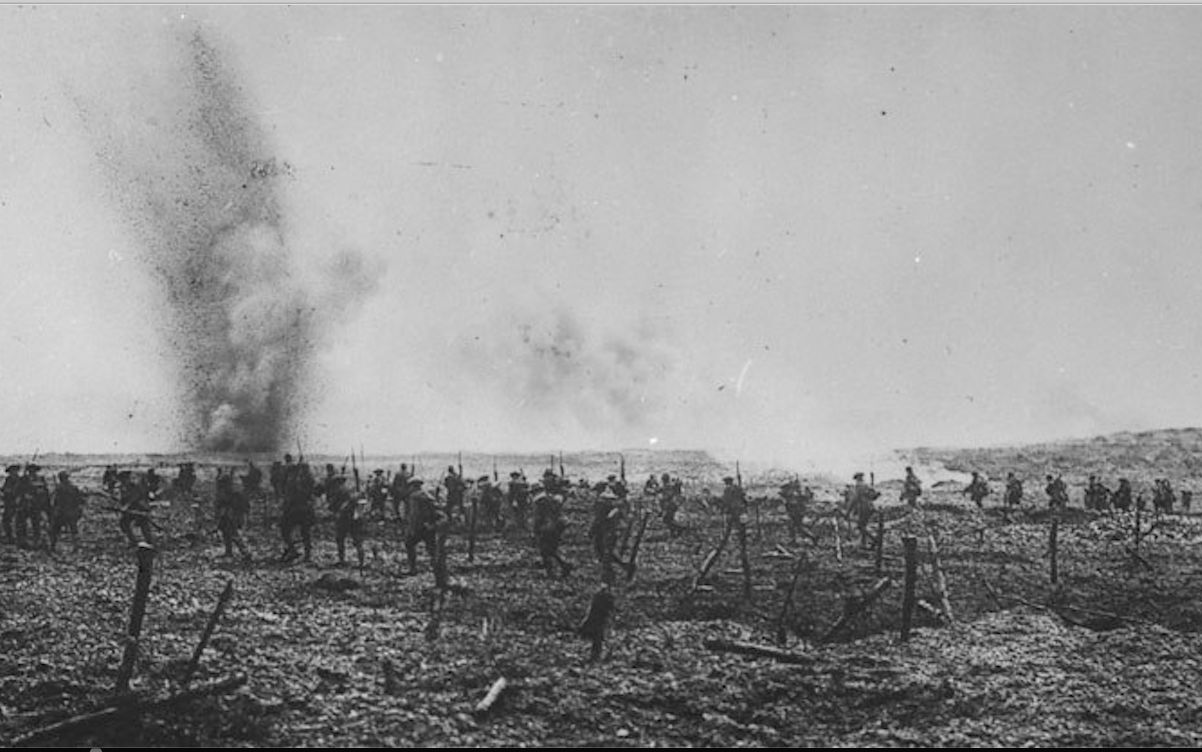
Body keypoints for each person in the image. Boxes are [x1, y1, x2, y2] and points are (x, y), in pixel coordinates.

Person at [280, 461, 315, 563]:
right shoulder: (298, 480)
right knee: (302, 533)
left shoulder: (302, 480)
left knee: (291, 530)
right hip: (299, 509)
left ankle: (298, 552)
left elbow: (300, 494)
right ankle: (296, 551)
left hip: (298, 509)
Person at [532, 486, 572, 578]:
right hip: (556, 527)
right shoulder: (551, 499)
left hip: (546, 529)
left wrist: (535, 530)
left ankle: (552, 570)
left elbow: (538, 518)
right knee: (551, 549)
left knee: (544, 550)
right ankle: (563, 565)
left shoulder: (539, 503)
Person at [404, 479, 440, 575]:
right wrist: (432, 523)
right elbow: (437, 510)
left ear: (413, 486)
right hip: (429, 526)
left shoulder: (414, 497)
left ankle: (413, 569)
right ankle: (437, 570)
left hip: (419, 527)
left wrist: (412, 528)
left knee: (409, 544)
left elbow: (414, 515)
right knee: (432, 549)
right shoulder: (428, 495)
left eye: (410, 486)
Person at [214, 469, 252, 562]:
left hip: (231, 515)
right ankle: (229, 552)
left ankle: (245, 552)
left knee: (233, 534)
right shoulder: (227, 492)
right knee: (226, 533)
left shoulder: (233, 494)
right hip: (226, 515)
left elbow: (240, 506)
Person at [329, 476, 366, 568]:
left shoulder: (338, 492)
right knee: (358, 541)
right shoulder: (352, 491)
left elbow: (332, 506)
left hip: (343, 520)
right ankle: (362, 562)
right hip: (354, 519)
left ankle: (342, 561)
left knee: (340, 539)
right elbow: (360, 504)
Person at [590, 488, 623, 584]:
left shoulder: (604, 510)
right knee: (606, 553)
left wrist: (591, 532)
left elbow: (598, 522)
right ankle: (620, 566)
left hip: (604, 534)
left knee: (603, 554)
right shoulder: (615, 510)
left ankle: (608, 576)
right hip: (610, 534)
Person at [48, 471, 86, 553]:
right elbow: (80, 500)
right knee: (73, 530)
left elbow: (54, 501)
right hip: (71, 512)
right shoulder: (73, 487)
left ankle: (52, 546)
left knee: (55, 530)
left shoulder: (59, 488)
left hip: (61, 512)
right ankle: (76, 547)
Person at [118, 470, 156, 547]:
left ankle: (149, 542)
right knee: (125, 524)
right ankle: (133, 541)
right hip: (131, 510)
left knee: (143, 525)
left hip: (140, 509)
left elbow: (135, 497)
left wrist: (126, 506)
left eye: (134, 478)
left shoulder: (137, 487)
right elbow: (124, 499)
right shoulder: (125, 487)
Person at [780, 479, 811, 544]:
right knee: (794, 527)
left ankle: (812, 537)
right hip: (794, 514)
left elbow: (795, 507)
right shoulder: (791, 498)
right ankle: (793, 540)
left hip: (796, 515)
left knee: (797, 528)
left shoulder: (793, 498)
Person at [1, 464, 21, 544]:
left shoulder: (21, 480)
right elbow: (4, 489)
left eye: (14, 471)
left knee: (18, 522)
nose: (12, 473)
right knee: (6, 521)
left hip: (18, 503)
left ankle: (18, 538)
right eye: (11, 472)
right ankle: (10, 537)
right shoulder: (8, 479)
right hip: (8, 503)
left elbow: (22, 491)